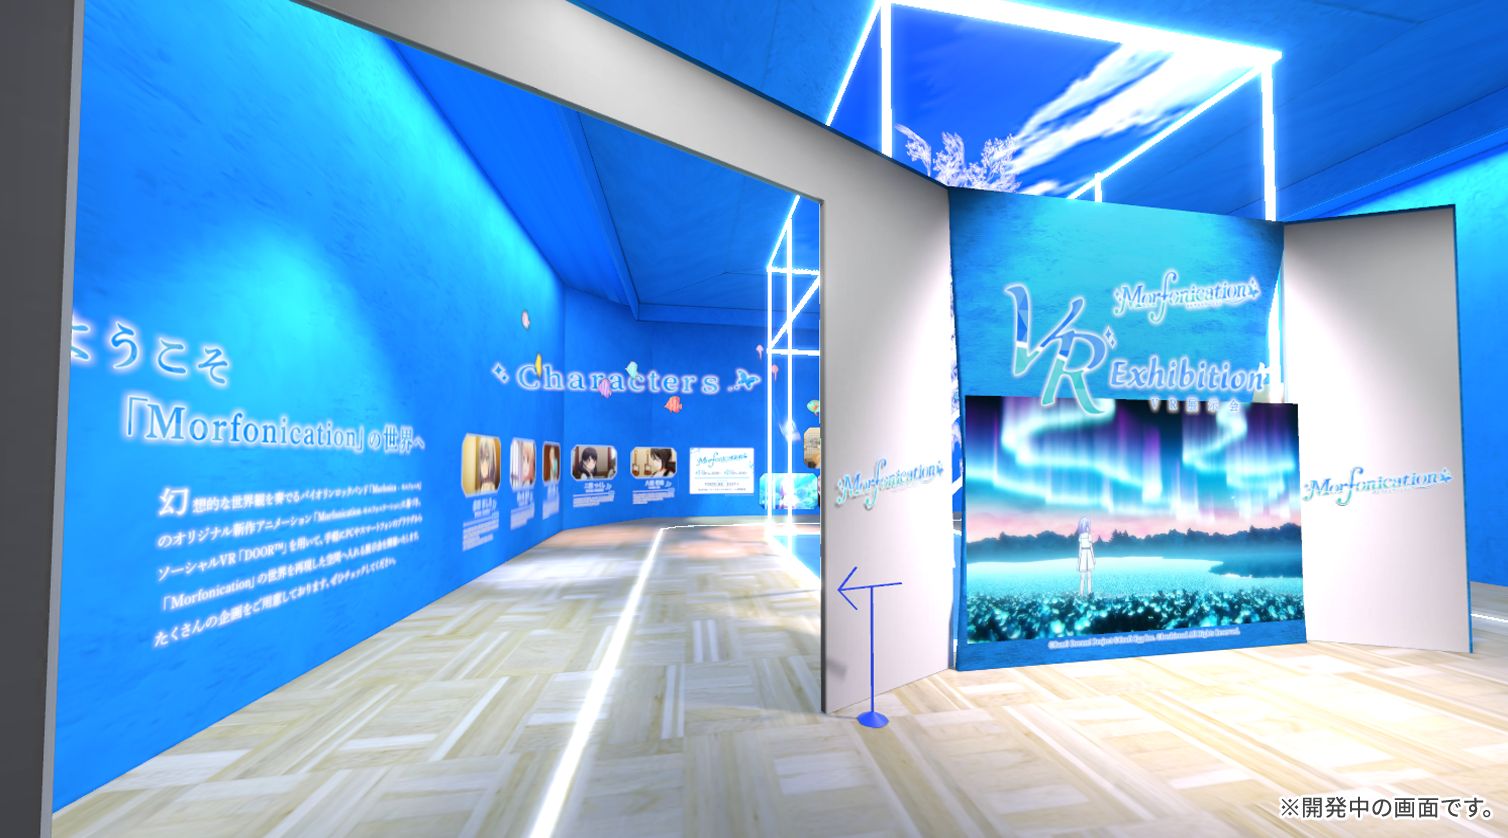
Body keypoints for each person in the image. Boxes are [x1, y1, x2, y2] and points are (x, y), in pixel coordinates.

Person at [1076, 516, 1095, 597]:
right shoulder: (1085, 536)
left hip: (1086, 554)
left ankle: (1086, 592)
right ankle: (1083, 593)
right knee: (1085, 576)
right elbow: (1083, 548)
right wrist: (1079, 560)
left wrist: (1093, 558)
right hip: (1085, 554)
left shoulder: (1085, 536)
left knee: (1086, 576)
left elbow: (1089, 547)